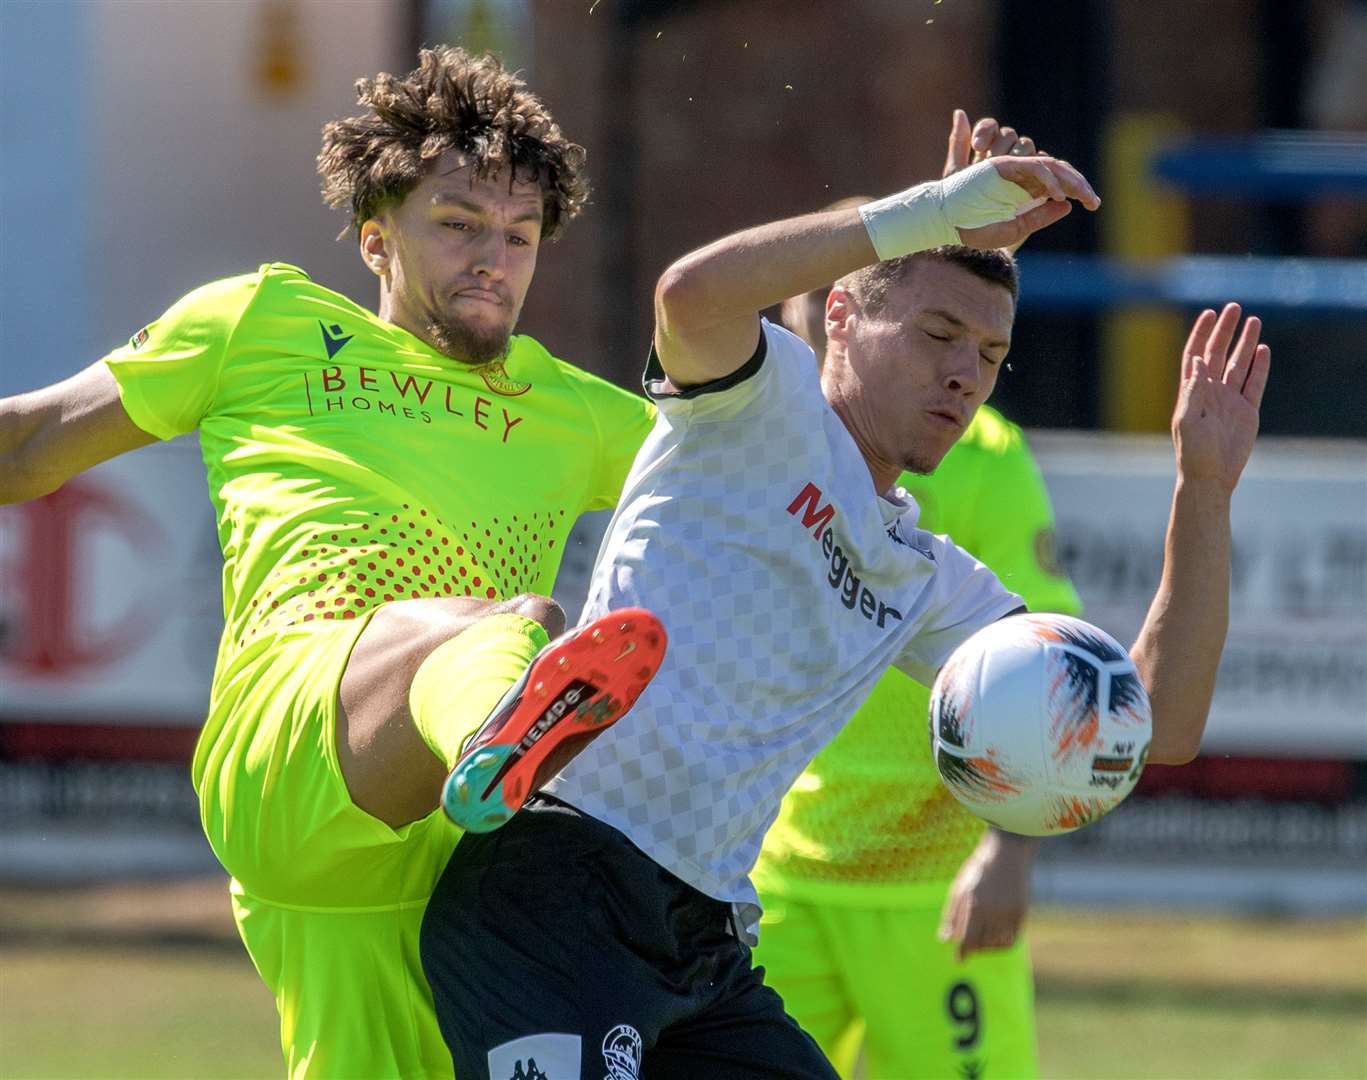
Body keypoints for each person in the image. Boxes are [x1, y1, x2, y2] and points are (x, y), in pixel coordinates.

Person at [420, 136, 1270, 1079]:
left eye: (990, 354)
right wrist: (932, 208)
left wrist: (1202, 487)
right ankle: (495, 719)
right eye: (936, 333)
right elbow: (688, 296)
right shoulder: (760, 399)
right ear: (841, 317)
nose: (964, 374)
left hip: (700, 940)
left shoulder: (926, 577)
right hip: (556, 891)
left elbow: (1157, 724)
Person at [0, 47, 666, 1080]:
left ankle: (502, 744)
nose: (492, 256)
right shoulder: (258, 327)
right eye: (456, 224)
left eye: (519, 236)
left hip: (447, 858)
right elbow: (29, 444)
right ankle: (505, 724)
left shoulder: (578, 412)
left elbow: (749, 490)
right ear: (376, 240)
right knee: (511, 623)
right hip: (292, 739)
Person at [752, 112, 1079, 1080]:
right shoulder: (749, 439)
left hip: (928, 887)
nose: (809, 311)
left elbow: (1040, 675)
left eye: (974, 346)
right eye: (805, 294)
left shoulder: (979, 460)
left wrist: (1009, 854)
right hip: (778, 876)